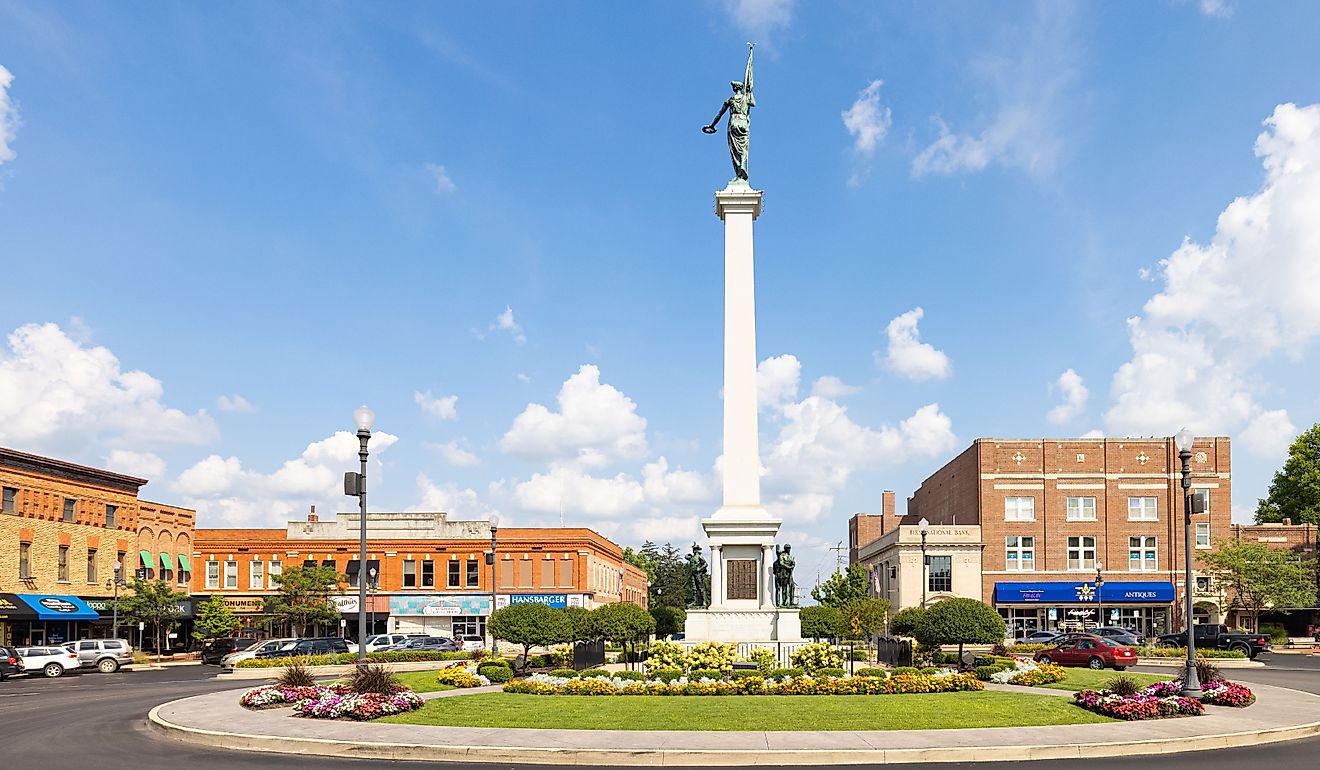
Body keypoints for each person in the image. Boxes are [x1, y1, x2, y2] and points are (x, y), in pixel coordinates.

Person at [702, 44, 756, 182]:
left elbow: (719, 115)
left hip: (733, 122)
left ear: (734, 89)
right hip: (744, 123)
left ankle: (739, 172)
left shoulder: (730, 100)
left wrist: (712, 125)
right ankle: (743, 168)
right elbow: (753, 101)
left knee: (735, 149)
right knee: (743, 148)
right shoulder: (746, 98)